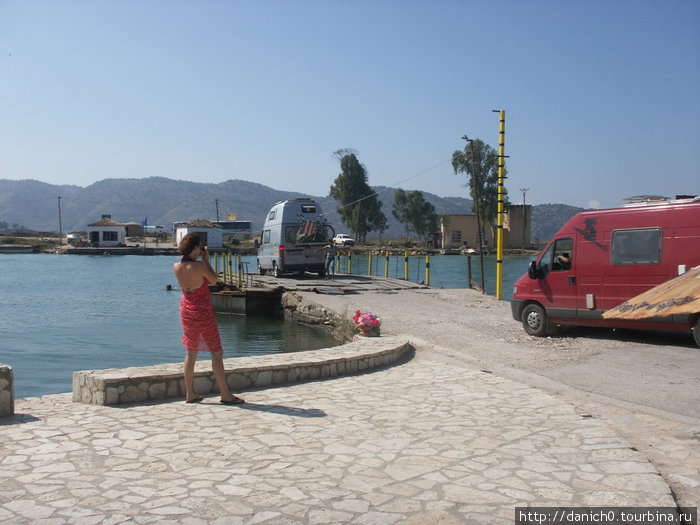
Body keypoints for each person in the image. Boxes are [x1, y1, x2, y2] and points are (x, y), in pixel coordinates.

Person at [173, 233, 244, 405]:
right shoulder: (199, 266)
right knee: (216, 352)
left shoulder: (176, 267)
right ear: (195, 248)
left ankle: (190, 393)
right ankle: (225, 394)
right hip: (203, 312)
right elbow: (213, 280)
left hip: (186, 311)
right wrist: (205, 260)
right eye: (200, 247)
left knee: (191, 352)